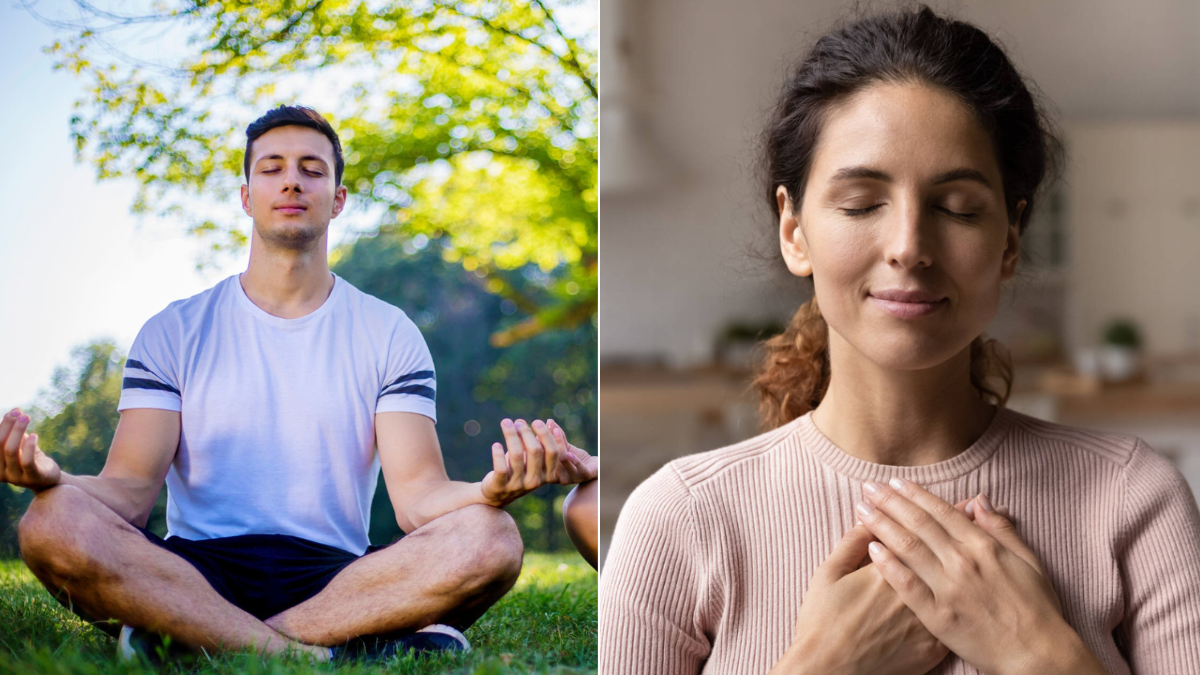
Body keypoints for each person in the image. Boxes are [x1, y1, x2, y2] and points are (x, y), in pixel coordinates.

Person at [600, 7, 1200, 675]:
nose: (909, 245)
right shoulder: (680, 519)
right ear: (794, 231)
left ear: (1010, 239)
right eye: (861, 203)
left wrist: (1040, 654)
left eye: (958, 208)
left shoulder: (1133, 499)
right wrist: (825, 666)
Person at [3, 104, 597, 663]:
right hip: (194, 569)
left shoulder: (389, 332)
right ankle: (330, 650)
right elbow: (130, 493)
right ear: (247, 196)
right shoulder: (173, 330)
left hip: (338, 577)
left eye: (312, 170)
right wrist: (57, 480)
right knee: (52, 520)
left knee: (491, 538)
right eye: (272, 169)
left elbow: (419, 500)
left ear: (337, 200)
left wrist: (488, 491)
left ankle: (194, 637)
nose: (292, 182)